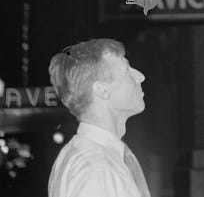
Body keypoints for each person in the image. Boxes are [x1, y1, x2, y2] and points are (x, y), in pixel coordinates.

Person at [48, 38, 150, 197]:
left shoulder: (83, 156)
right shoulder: (98, 170)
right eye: (127, 70)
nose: (140, 77)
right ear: (102, 89)